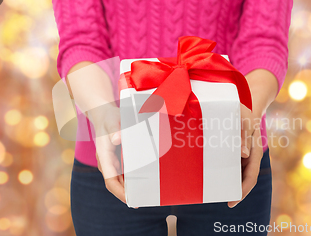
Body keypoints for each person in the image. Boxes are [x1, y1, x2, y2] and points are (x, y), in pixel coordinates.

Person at [52, 0, 292, 235]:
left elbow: (264, 41)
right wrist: (102, 113)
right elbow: (81, 41)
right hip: (114, 159)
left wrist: (248, 113)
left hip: (230, 152)